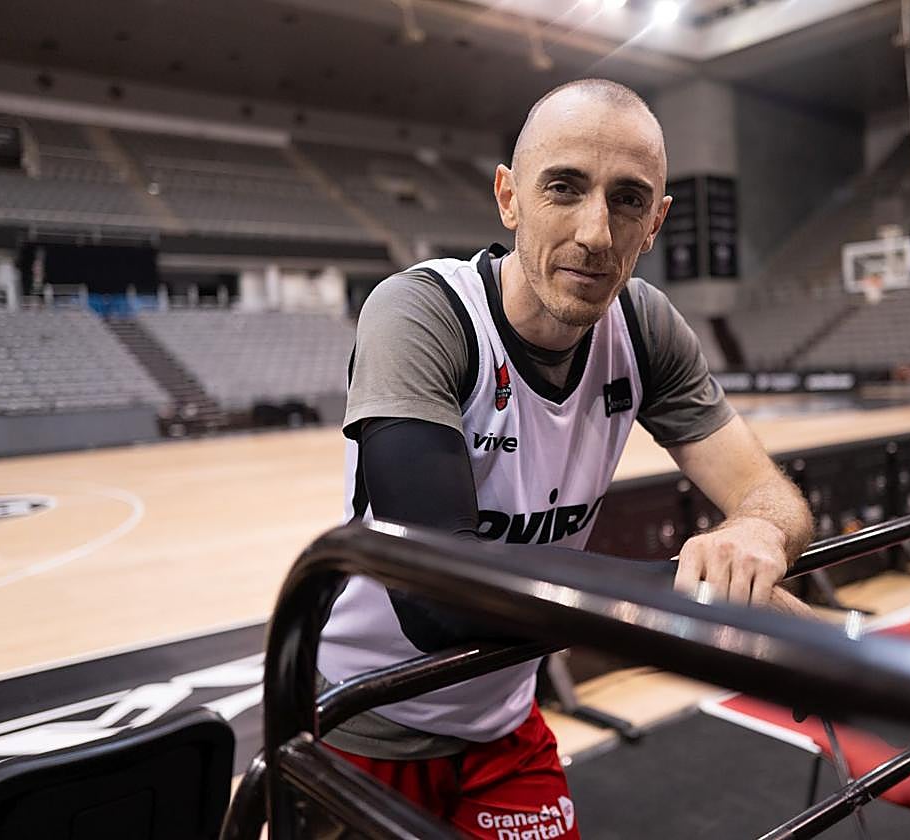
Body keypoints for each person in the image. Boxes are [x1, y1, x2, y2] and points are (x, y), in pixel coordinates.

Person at [318, 78, 814, 838]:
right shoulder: (421, 313)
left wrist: (758, 532)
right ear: (509, 198)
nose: (596, 233)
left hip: (504, 720)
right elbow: (438, 593)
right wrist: (703, 604)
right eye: (564, 188)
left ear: (657, 223)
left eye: (628, 200)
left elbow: (774, 499)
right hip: (362, 715)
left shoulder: (644, 328)